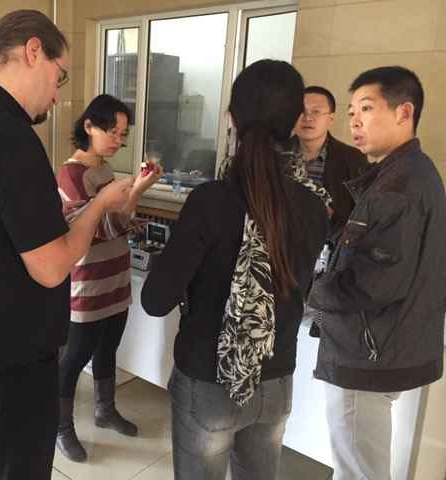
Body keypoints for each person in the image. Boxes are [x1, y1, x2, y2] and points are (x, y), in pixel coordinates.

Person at [0, 10, 133, 480]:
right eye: (60, 76)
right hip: (8, 353)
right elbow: (52, 266)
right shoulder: (7, 133)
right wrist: (100, 205)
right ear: (34, 51)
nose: (57, 95)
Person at [141, 60, 329, 480]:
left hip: (208, 379)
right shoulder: (315, 205)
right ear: (295, 123)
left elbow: (155, 300)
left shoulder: (210, 201)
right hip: (276, 377)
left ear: (231, 119)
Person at [308, 66, 446, 480]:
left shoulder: (398, 187)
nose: (355, 121)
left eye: (366, 109)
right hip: (386, 345)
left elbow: (372, 284)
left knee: (360, 472)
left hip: (366, 354)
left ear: (404, 112)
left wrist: (308, 289)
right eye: (352, 111)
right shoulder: (409, 173)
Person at [55, 94, 163, 462]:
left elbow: (118, 221)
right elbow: (96, 229)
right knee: (74, 357)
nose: (118, 140)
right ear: (89, 126)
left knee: (108, 348)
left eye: (123, 134)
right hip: (88, 281)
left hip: (115, 275)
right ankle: (61, 426)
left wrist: (134, 197)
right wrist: (136, 192)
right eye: (112, 132)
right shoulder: (71, 175)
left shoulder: (105, 171)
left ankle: (105, 410)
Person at [293, 85, 367, 233]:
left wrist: (333, 217)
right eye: (301, 111)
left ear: (330, 119)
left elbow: (362, 216)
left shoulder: (353, 159)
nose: (307, 118)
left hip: (329, 242)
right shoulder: (275, 154)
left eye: (316, 112)